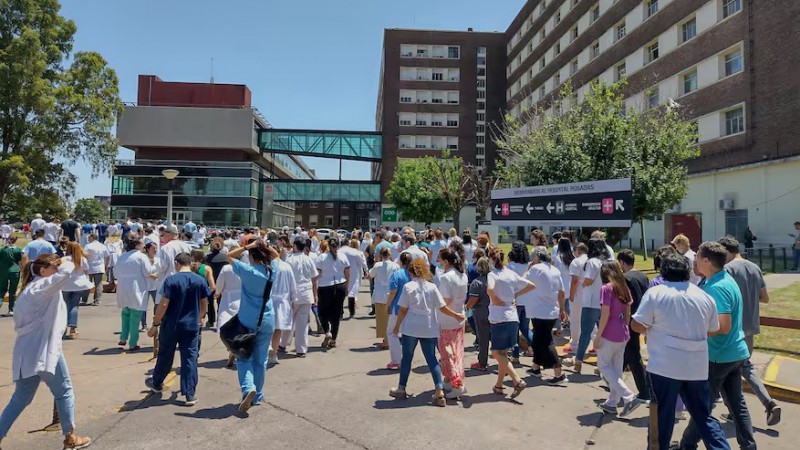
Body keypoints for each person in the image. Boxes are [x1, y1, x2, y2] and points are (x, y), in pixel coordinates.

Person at [631, 254, 729, 450]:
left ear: (663, 272)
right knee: (703, 416)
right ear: (689, 272)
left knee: (661, 417)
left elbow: (637, 325)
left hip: (664, 366)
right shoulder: (704, 296)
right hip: (696, 366)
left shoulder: (656, 293)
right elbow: (711, 329)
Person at [0, 254, 92, 450]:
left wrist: (63, 258)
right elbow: (66, 273)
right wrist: (65, 262)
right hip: (44, 348)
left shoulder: (29, 290)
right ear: (43, 270)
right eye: (54, 266)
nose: (58, 269)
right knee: (64, 391)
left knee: (21, 398)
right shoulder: (42, 287)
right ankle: (70, 438)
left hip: (27, 351)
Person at [677, 241, 756, 450]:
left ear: (706, 261)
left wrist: (693, 332)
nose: (693, 260)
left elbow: (723, 326)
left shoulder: (717, 288)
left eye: (697, 257)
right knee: (736, 404)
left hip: (718, 355)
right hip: (735, 352)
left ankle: (686, 445)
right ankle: (748, 446)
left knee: (702, 406)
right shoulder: (723, 280)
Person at [718, 235, 781, 425]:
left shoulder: (727, 270)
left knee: (726, 371)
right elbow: (765, 298)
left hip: (732, 327)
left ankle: (743, 410)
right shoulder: (755, 268)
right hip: (750, 327)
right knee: (743, 368)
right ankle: (763, 404)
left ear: (727, 251)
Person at [389, 258, 466, 406]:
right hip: (429, 327)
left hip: (411, 327)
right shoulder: (432, 287)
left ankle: (401, 388)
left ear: (411, 271)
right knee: (431, 358)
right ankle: (439, 391)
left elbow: (403, 309)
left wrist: (397, 325)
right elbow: (442, 307)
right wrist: (456, 315)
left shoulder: (408, 287)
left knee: (407, 358)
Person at [146, 252, 209, 407]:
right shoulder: (200, 280)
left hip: (171, 325)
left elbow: (164, 304)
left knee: (166, 354)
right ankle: (189, 393)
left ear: (176, 263)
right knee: (190, 357)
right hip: (191, 326)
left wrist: (155, 323)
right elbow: (204, 303)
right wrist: (201, 317)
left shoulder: (171, 280)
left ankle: (157, 381)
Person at [224, 240, 278, 413]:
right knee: (261, 360)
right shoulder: (271, 271)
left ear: (251, 257)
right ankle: (258, 394)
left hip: (248, 320)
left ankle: (248, 388)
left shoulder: (248, 271)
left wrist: (249, 246)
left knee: (243, 357)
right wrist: (263, 246)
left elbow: (229, 255)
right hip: (267, 318)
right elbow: (276, 255)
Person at [594, 260, 644, 417]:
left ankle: (628, 396)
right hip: (623, 332)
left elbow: (605, 314)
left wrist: (598, 336)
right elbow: (628, 311)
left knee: (603, 366)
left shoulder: (606, 288)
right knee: (616, 369)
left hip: (610, 332)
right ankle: (612, 402)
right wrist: (625, 327)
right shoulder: (624, 288)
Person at [486, 247, 536, 399]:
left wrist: (496, 300)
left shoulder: (493, 274)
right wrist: (515, 295)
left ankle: (517, 380)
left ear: (492, 259)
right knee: (503, 353)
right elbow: (531, 285)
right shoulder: (511, 274)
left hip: (499, 317)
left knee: (496, 352)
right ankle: (499, 385)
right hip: (512, 317)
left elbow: (489, 289)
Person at [521, 248, 567, 384]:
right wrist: (562, 310)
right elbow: (562, 292)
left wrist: (529, 268)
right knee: (537, 339)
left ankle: (558, 372)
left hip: (539, 311)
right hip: (551, 311)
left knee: (546, 342)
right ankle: (536, 366)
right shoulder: (555, 270)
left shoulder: (535, 269)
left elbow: (523, 281)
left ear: (537, 258)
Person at [616, 249, 650, 401]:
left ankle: (644, 390)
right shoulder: (643, 276)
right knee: (627, 353)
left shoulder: (625, 278)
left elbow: (624, 302)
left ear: (622, 263)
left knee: (633, 355)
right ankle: (614, 381)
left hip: (629, 319)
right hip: (642, 317)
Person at [436, 248, 469, 399]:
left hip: (447, 318)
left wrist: (435, 304)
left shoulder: (446, 277)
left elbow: (445, 300)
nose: (438, 262)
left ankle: (457, 384)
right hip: (459, 317)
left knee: (448, 354)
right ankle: (450, 380)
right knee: (456, 352)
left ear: (446, 261)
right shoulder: (462, 275)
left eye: (440, 259)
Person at [279, 239, 318, 358]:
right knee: (303, 323)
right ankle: (301, 349)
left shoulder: (289, 260)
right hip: (306, 293)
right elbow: (315, 277)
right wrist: (315, 294)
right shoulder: (309, 259)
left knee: (288, 320)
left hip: (294, 293)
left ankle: (283, 343)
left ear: (295, 246)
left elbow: (286, 278)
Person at [574, 239, 608, 373]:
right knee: (603, 333)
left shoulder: (592, 262)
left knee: (585, 333)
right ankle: (602, 364)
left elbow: (588, 280)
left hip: (591, 301)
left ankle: (578, 361)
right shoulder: (605, 262)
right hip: (603, 301)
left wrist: (582, 284)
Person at [115, 239, 156, 351]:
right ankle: (133, 342)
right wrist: (153, 266)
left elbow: (115, 273)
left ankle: (123, 338)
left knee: (125, 313)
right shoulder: (141, 257)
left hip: (123, 287)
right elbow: (148, 272)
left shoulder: (122, 257)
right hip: (136, 287)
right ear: (137, 246)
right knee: (135, 316)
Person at [315, 238, 350, 349]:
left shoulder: (322, 257)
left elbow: (317, 274)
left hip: (325, 286)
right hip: (340, 285)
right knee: (336, 314)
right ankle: (334, 339)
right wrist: (347, 287)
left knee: (322, 312)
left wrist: (314, 289)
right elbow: (347, 273)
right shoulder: (343, 257)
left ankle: (327, 331)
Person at [267, 246, 298, 366]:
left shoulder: (267, 267)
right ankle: (273, 353)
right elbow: (292, 286)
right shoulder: (286, 266)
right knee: (278, 329)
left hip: (269, 299)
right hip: (282, 300)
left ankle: (268, 347)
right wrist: (293, 299)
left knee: (267, 327)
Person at [507, 240, 533, 362]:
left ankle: (515, 355)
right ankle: (536, 348)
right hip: (527, 300)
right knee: (525, 329)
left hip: (515, 300)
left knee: (514, 330)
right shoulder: (528, 265)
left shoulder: (511, 266)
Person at [369, 247, 399, 351]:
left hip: (380, 294)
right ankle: (388, 339)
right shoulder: (395, 266)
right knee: (391, 318)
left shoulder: (377, 265)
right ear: (390, 255)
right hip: (391, 294)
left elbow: (370, 275)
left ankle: (386, 340)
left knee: (382, 319)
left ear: (381, 255)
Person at [61, 243, 93, 339]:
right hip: (78, 285)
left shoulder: (65, 259)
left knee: (65, 306)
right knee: (74, 305)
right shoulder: (82, 259)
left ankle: (64, 328)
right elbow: (87, 272)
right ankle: (73, 327)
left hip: (65, 285)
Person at [466, 255, 491, 371]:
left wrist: (466, 307)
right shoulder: (494, 279)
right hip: (495, 312)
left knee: (483, 339)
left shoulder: (476, 283)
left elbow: (473, 300)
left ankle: (482, 362)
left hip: (481, 313)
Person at [565, 243, 588, 356]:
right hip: (588, 293)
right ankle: (597, 342)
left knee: (575, 320)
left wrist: (571, 295)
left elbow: (574, 280)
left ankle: (574, 344)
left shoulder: (576, 262)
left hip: (578, 292)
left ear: (577, 251)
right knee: (589, 321)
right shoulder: (591, 260)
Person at [189, 249, 217, 329]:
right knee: (201, 318)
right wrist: (205, 292)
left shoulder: (187, 267)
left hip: (188, 295)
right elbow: (213, 286)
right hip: (201, 296)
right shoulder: (207, 268)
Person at [341, 239, 367, 319]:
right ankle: (351, 312)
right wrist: (365, 270)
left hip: (341, 273)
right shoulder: (355, 252)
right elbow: (362, 262)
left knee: (340, 294)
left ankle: (340, 312)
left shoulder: (338, 252)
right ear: (348, 243)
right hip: (353, 273)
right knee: (351, 292)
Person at [83, 234, 109, 306]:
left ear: (92, 238)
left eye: (89, 238)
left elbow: (84, 255)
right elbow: (107, 256)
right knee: (98, 284)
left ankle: (84, 299)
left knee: (87, 284)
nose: (88, 240)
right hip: (99, 267)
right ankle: (97, 300)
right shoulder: (102, 246)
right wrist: (106, 265)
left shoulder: (88, 246)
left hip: (89, 267)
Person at [0, 236, 23, 316]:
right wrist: (22, 272)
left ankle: (0, 301)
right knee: (12, 291)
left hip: (3, 271)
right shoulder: (18, 250)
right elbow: (20, 263)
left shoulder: (3, 250)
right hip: (15, 271)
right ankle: (11, 309)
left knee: (2, 289)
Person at [141, 242, 160, 331]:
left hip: (155, 285)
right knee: (143, 306)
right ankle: (144, 324)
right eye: (153, 248)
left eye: (156, 248)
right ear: (148, 249)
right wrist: (150, 275)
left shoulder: (158, 259)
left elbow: (161, 271)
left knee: (157, 304)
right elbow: (142, 271)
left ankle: (156, 322)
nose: (155, 250)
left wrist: (155, 275)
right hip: (144, 286)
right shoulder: (143, 259)